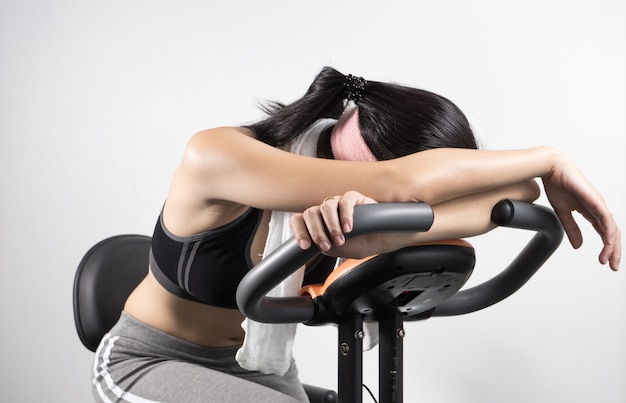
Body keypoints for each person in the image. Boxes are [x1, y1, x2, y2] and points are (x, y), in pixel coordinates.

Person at [91, 67, 621, 403]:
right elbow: (398, 184)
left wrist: (387, 225)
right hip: (149, 362)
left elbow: (512, 197)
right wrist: (552, 159)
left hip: (257, 369)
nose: (411, 206)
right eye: (416, 198)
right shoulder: (216, 155)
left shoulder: (359, 201)